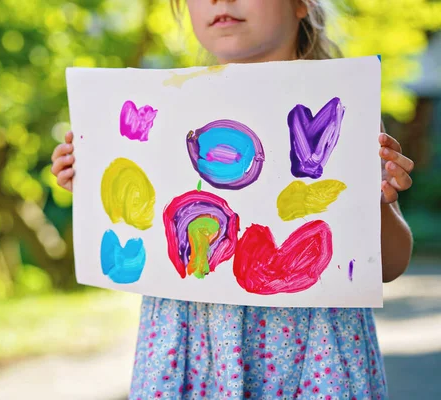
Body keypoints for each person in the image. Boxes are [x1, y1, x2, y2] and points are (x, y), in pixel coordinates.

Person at [51, 0, 414, 398]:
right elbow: (137, 216)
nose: (220, 1)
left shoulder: (345, 110)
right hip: (191, 346)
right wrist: (90, 178)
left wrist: (376, 201)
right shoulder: (166, 108)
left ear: (301, 4)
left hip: (314, 355)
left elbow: (389, 265)